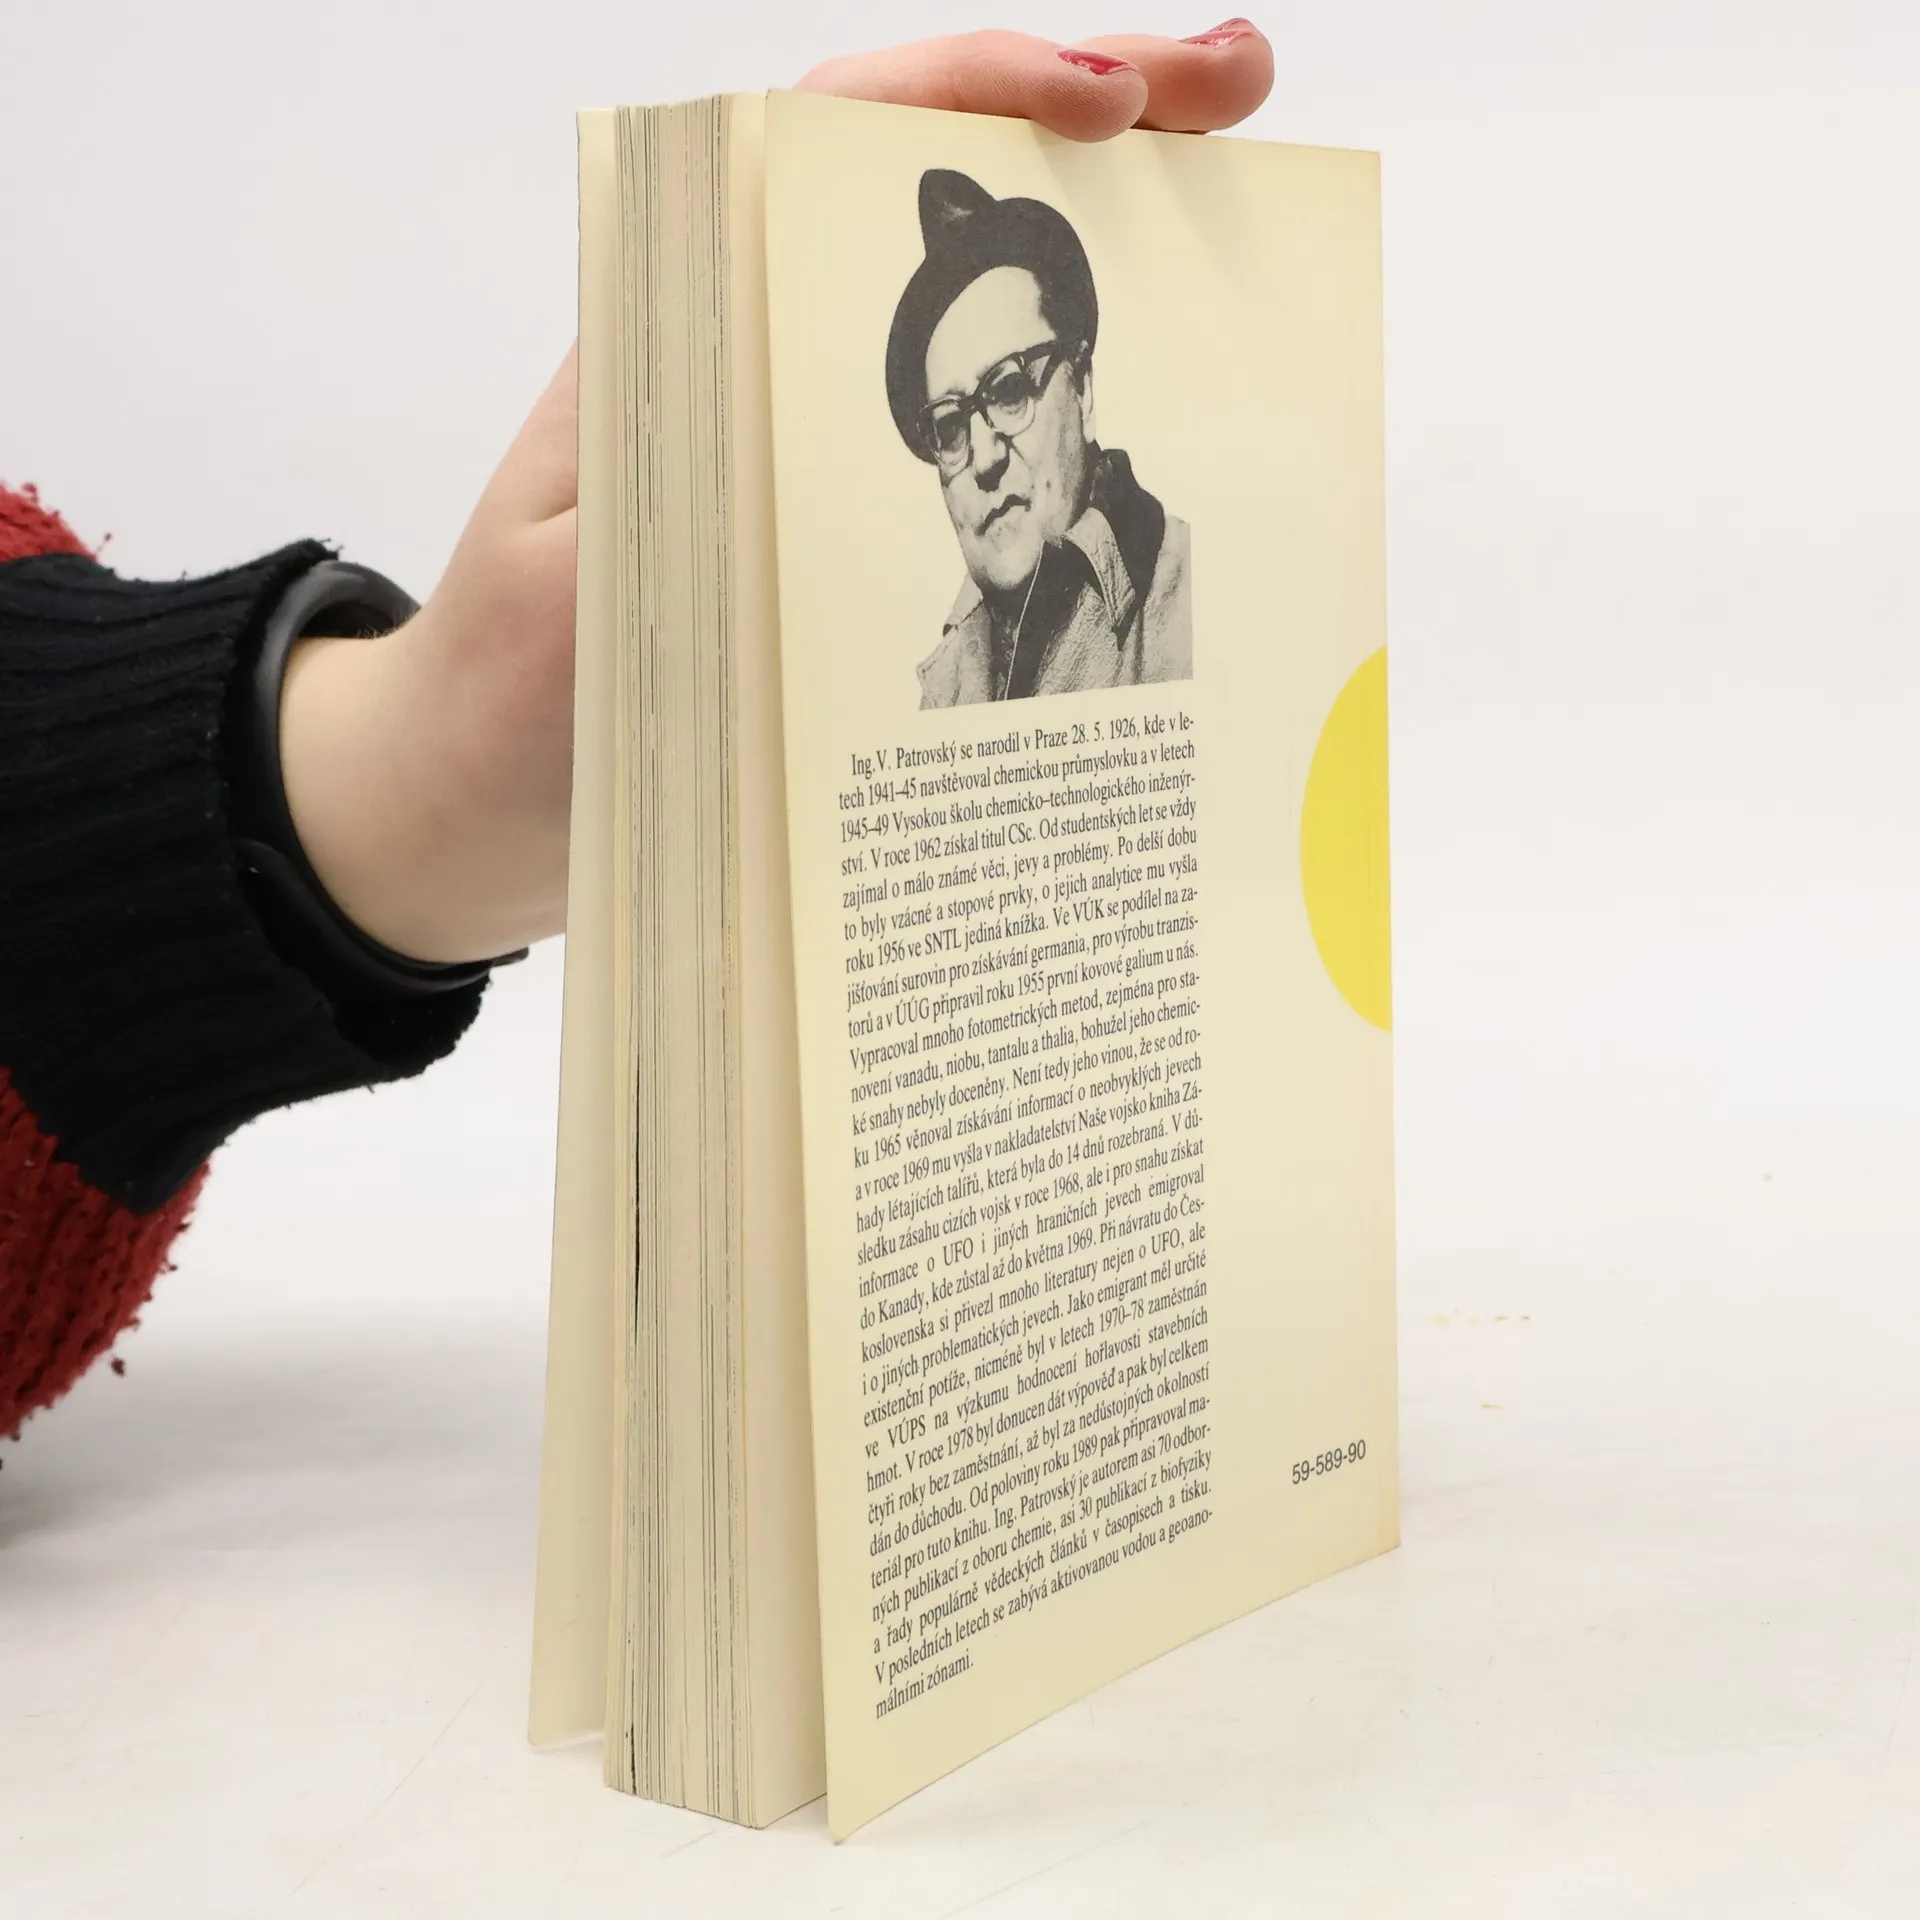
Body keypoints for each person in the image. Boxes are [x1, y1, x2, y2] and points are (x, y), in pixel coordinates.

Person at [0, 23, 1273, 1440]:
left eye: (1012, 388)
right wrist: (408, 776)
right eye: (945, 418)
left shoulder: (1202, 586)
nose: (977, 451)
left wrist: (404, 778)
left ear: (1084, 375)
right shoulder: (936, 669)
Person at [887, 170, 1194, 705]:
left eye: (1009, 390)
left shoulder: (1195, 598)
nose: (985, 459)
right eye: (951, 426)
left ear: (1083, 389)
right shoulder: (942, 690)